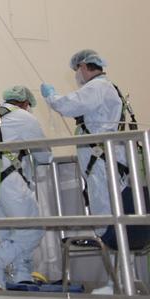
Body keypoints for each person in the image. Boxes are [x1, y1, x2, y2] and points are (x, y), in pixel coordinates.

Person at [41, 49, 136, 222]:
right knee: (115, 211)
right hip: (107, 160)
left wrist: (51, 96)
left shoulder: (96, 87)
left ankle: (111, 244)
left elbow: (68, 106)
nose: (76, 75)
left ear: (83, 66)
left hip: (102, 163)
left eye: (76, 70)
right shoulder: (106, 86)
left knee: (106, 215)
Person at [0, 86, 52, 289]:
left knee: (8, 233)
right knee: (33, 227)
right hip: (6, 177)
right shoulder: (26, 118)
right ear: (25, 103)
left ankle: (20, 275)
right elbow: (43, 154)